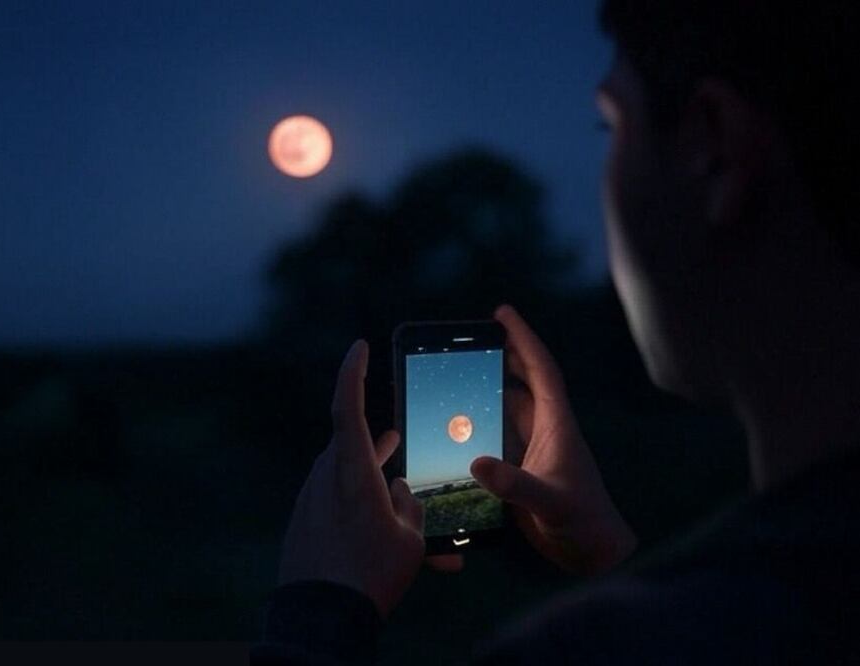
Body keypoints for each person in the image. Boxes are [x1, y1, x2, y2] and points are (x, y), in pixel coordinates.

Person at [251, 1, 860, 663]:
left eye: (609, 127)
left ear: (713, 148)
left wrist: (315, 614)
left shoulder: (581, 650)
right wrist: (613, 556)